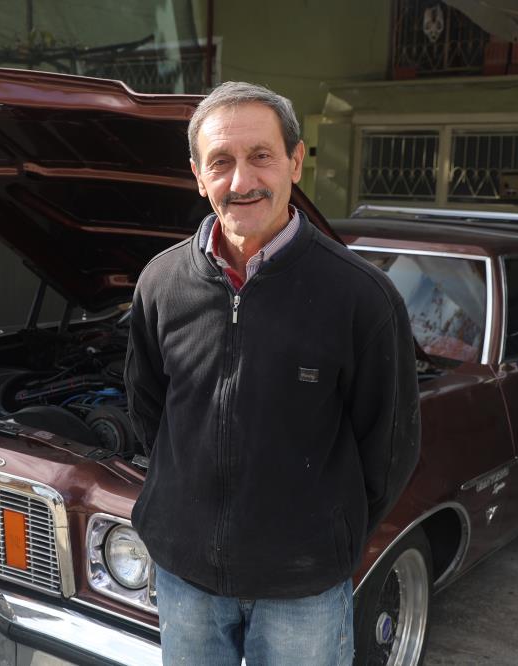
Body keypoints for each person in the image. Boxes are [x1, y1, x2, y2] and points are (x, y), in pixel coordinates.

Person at [123, 81, 421, 665]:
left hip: (302, 591)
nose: (242, 181)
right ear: (197, 175)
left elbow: (389, 452)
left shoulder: (361, 297)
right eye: (221, 162)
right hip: (186, 579)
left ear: (296, 161)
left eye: (261, 155)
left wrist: (324, 536)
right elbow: (148, 411)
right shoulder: (160, 283)